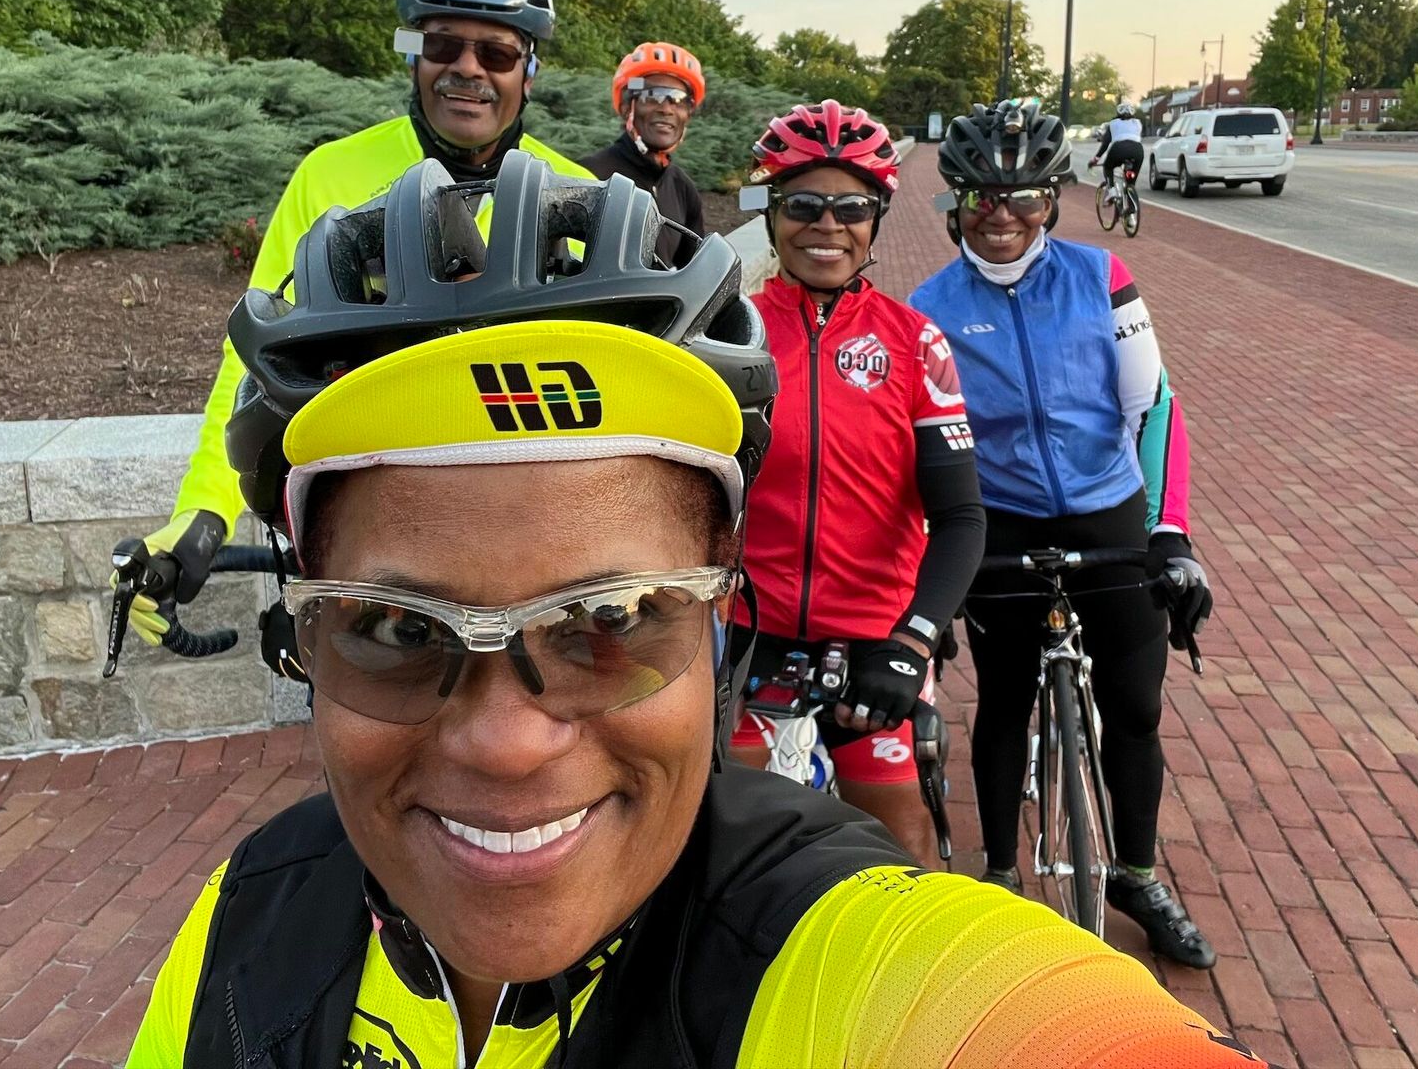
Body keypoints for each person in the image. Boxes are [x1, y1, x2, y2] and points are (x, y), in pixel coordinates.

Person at [125, 151, 1276, 1068]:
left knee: (911, 825)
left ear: (707, 601)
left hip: (882, 630)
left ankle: (1123, 867)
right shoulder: (245, 920)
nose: (507, 744)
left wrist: (919, 634)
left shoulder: (830, 952)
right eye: (395, 628)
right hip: (774, 643)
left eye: (616, 615)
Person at [114, 0, 592, 645]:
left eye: (495, 54)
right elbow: (255, 357)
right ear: (413, 56)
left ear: (529, 71)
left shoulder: (576, 195)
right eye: (443, 45)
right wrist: (205, 511)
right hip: (369, 545)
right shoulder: (331, 176)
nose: (467, 69)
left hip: (530, 544)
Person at [909, 99, 1218, 969]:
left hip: (1108, 508)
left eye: (1025, 196)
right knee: (1003, 701)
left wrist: (1169, 533)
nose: (1002, 214)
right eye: (982, 196)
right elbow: (922, 448)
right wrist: (934, 570)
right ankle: (1001, 875)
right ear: (956, 201)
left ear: (1052, 199)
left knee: (1136, 707)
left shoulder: (1102, 276)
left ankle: (1136, 875)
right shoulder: (928, 308)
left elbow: (1153, 407)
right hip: (1000, 521)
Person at [727, 101, 985, 869]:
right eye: (804, 205)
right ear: (772, 213)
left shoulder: (915, 342)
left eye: (852, 209)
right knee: (717, 837)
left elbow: (962, 517)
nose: (827, 227)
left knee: (903, 852)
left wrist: (913, 643)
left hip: (876, 642)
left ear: (876, 220)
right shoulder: (729, 333)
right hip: (747, 634)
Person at [580, 42, 706, 267]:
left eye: (678, 99)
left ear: (688, 114)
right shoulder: (590, 176)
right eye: (652, 95)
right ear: (627, 107)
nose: (666, 109)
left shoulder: (683, 189)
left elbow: (695, 271)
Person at [1090, 100, 1145, 201]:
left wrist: (1096, 158)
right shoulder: (1138, 123)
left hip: (1119, 149)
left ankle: (1111, 190)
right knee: (1131, 181)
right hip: (1138, 150)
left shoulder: (1113, 123)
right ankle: (1131, 199)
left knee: (1108, 167)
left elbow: (1105, 144)